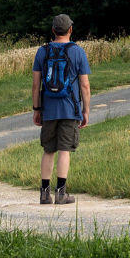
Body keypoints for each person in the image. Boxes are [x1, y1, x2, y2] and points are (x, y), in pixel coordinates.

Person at [31, 14, 91, 206]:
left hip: (48, 108)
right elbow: (85, 86)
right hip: (70, 108)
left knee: (49, 150)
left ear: (53, 30)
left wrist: (36, 109)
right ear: (70, 30)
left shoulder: (42, 51)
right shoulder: (78, 52)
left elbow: (35, 84)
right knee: (64, 150)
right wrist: (85, 110)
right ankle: (61, 193)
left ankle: (44, 193)